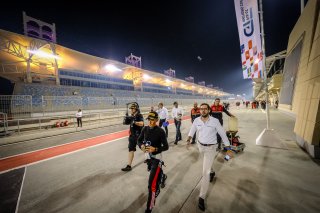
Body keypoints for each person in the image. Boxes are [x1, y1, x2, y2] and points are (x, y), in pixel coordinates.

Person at [186, 103, 231, 211]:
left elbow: (222, 134)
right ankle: (211, 171)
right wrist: (188, 139)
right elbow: (192, 129)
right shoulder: (197, 120)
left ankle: (201, 196)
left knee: (204, 173)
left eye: (205, 109)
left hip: (211, 148)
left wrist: (228, 148)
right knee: (207, 166)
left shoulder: (215, 121)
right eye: (201, 109)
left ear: (209, 110)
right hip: (200, 146)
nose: (203, 111)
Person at [138, 111, 169, 213]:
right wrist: (141, 146)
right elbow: (139, 140)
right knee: (156, 176)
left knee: (151, 185)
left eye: (153, 120)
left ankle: (149, 208)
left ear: (156, 120)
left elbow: (166, 146)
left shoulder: (160, 131)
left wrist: (155, 149)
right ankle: (162, 177)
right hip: (148, 159)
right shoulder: (145, 129)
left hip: (157, 159)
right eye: (149, 119)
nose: (150, 122)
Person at [121, 103, 144, 171]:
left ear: (136, 108)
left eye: (132, 108)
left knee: (143, 148)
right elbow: (130, 124)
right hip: (132, 136)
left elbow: (142, 123)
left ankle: (151, 157)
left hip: (139, 136)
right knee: (131, 150)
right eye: (131, 108)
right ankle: (129, 166)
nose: (131, 110)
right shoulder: (132, 116)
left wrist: (134, 122)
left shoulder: (139, 115)